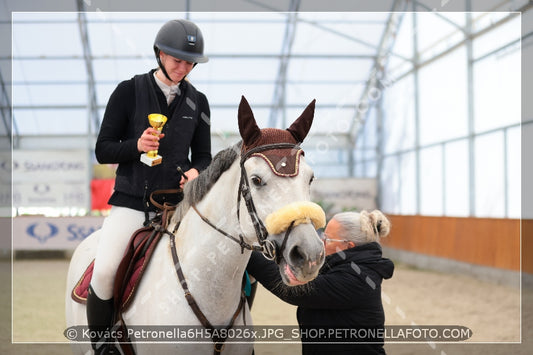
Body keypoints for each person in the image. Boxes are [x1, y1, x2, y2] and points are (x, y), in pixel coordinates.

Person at [86, 19, 212, 354]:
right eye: (176, 60)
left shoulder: (198, 102)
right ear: (159, 53)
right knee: (105, 272)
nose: (183, 67)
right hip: (131, 203)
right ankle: (102, 346)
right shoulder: (129, 91)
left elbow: (204, 156)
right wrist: (136, 145)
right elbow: (103, 148)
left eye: (190, 62)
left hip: (178, 205)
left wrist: (197, 171)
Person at [247, 210, 394, 355]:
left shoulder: (358, 278)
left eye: (328, 240)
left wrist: (249, 255)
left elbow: (297, 291)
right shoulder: (344, 266)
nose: (321, 243)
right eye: (322, 237)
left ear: (348, 246)